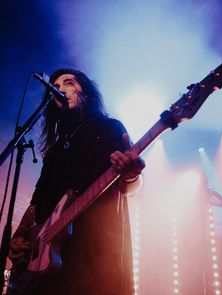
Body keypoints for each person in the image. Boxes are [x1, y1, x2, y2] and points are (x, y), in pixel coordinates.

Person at [8, 68, 145, 295]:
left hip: (91, 252)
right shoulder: (54, 150)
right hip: (46, 266)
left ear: (87, 93)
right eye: (56, 87)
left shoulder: (109, 128)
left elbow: (129, 187)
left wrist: (132, 175)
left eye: (68, 83)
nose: (60, 89)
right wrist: (20, 235)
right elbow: (36, 201)